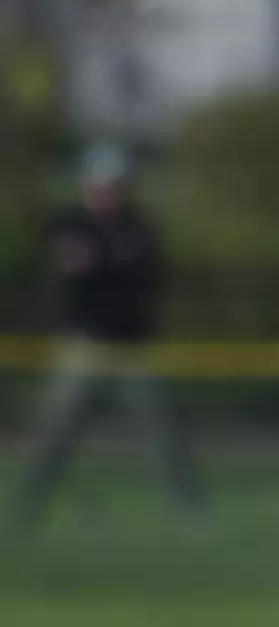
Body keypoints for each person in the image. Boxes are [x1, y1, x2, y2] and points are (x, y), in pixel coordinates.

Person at [11, 144, 202, 526]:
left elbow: (142, 280)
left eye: (112, 185)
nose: (104, 193)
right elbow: (74, 273)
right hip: (84, 345)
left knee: (163, 431)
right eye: (98, 185)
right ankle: (26, 508)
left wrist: (99, 263)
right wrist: (106, 263)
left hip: (132, 348)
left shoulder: (139, 228)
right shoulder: (71, 224)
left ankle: (190, 509)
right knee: (54, 431)